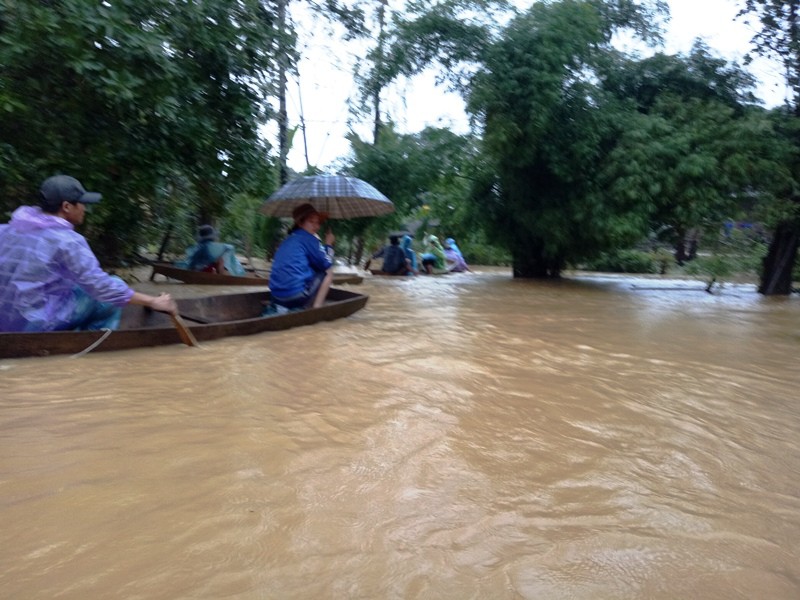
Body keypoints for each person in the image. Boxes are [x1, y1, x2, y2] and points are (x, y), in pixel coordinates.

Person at [0, 175, 177, 332]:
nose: (85, 208)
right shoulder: (67, 240)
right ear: (67, 206)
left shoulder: (6, 230)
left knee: (76, 284)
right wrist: (152, 301)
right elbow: (101, 287)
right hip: (33, 324)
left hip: (4, 320)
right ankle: (90, 344)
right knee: (113, 286)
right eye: (82, 203)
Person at [268, 203, 335, 311]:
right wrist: (329, 244)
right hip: (294, 297)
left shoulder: (288, 239)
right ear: (300, 223)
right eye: (311, 221)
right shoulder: (309, 238)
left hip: (275, 297)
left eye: (318, 222)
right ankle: (317, 309)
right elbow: (327, 263)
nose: (316, 226)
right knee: (328, 271)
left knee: (315, 267)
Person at [177, 224, 246, 276]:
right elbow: (229, 248)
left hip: (194, 272)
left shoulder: (197, 248)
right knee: (220, 259)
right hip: (204, 272)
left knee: (218, 259)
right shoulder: (212, 249)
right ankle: (220, 277)